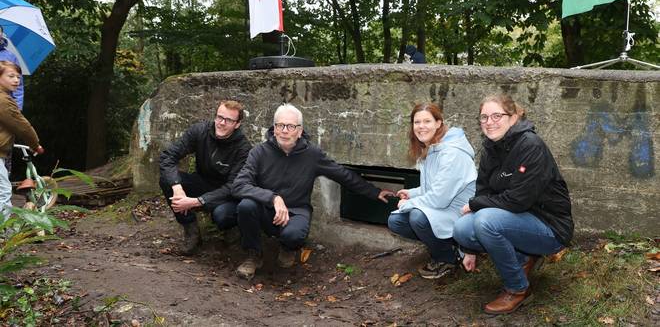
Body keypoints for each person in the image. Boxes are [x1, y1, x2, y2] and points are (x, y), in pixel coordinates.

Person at [232, 103, 394, 280]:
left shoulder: (312, 154)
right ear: (275, 129)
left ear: (299, 131)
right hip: (265, 208)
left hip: (296, 211)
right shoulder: (259, 152)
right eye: (280, 125)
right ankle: (254, 255)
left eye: (291, 126)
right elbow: (239, 185)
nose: (285, 130)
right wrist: (273, 198)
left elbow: (342, 174)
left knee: (293, 236)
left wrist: (374, 191)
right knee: (246, 206)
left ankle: (287, 249)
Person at [453, 94, 573, 315]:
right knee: (461, 229)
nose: (489, 122)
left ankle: (517, 289)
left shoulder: (530, 145)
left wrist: (476, 204)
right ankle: (523, 258)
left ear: (514, 117)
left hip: (549, 227)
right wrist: (469, 249)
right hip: (516, 219)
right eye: (484, 117)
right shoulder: (491, 146)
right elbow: (484, 189)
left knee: (485, 220)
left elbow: (518, 200)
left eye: (497, 115)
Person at [388, 102, 477, 279]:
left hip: (461, 213)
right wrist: (412, 193)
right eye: (417, 122)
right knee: (396, 220)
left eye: (427, 121)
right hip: (442, 207)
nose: (421, 127)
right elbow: (435, 187)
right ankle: (448, 245)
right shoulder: (432, 147)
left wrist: (410, 203)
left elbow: (439, 199)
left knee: (417, 217)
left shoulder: (451, 153)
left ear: (438, 123)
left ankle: (447, 259)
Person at [159, 100, 252, 255]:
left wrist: (197, 201)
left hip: (228, 195)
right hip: (203, 182)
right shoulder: (200, 131)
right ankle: (191, 231)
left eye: (228, 120)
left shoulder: (243, 149)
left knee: (221, 215)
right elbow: (168, 156)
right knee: (167, 180)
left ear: (237, 124)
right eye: (219, 117)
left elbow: (232, 187)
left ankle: (231, 230)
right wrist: (177, 187)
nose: (221, 123)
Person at [0, 61, 42, 221]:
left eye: (18, 77)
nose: (16, 80)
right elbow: (22, 125)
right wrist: (35, 144)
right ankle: (4, 233)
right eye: (10, 76)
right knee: (3, 191)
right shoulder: (4, 101)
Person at [0, 26, 24, 176]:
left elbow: (19, 85)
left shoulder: (10, 56)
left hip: (6, 109)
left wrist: (17, 109)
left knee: (5, 150)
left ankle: (3, 185)